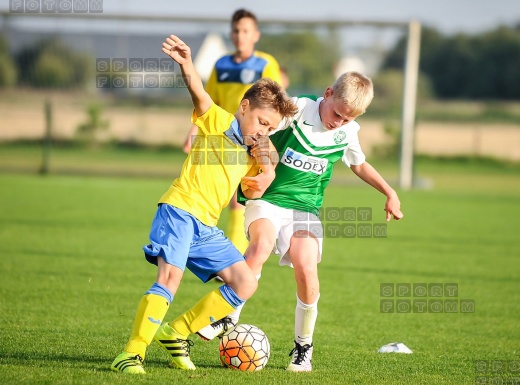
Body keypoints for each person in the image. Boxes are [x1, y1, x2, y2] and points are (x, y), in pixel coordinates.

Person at [110, 34, 297, 374]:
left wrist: (268, 170)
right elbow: (198, 91)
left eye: (271, 128)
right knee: (170, 278)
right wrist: (186, 64)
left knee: (245, 282)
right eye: (261, 122)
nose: (264, 131)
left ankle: (176, 333)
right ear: (244, 108)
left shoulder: (259, 151)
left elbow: (253, 193)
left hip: (206, 228)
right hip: (179, 210)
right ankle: (132, 354)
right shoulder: (219, 121)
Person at [197, 72, 404, 372]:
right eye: (337, 114)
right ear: (328, 92)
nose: (338, 122)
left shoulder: (348, 132)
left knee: (307, 269)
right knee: (260, 247)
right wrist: (261, 162)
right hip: (267, 199)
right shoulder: (296, 110)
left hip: (305, 209)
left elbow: (358, 164)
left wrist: (389, 192)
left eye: (347, 119)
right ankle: (229, 314)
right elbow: (259, 130)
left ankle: (303, 346)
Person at [182, 8, 284, 256]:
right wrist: (194, 129)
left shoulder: (265, 63)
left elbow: (275, 101)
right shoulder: (221, 64)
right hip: (221, 135)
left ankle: (236, 250)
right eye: (236, 30)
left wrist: (265, 137)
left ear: (256, 35)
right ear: (231, 33)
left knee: (242, 194)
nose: (240, 35)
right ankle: (216, 247)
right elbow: (210, 100)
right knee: (221, 192)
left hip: (251, 137)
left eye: (246, 31)